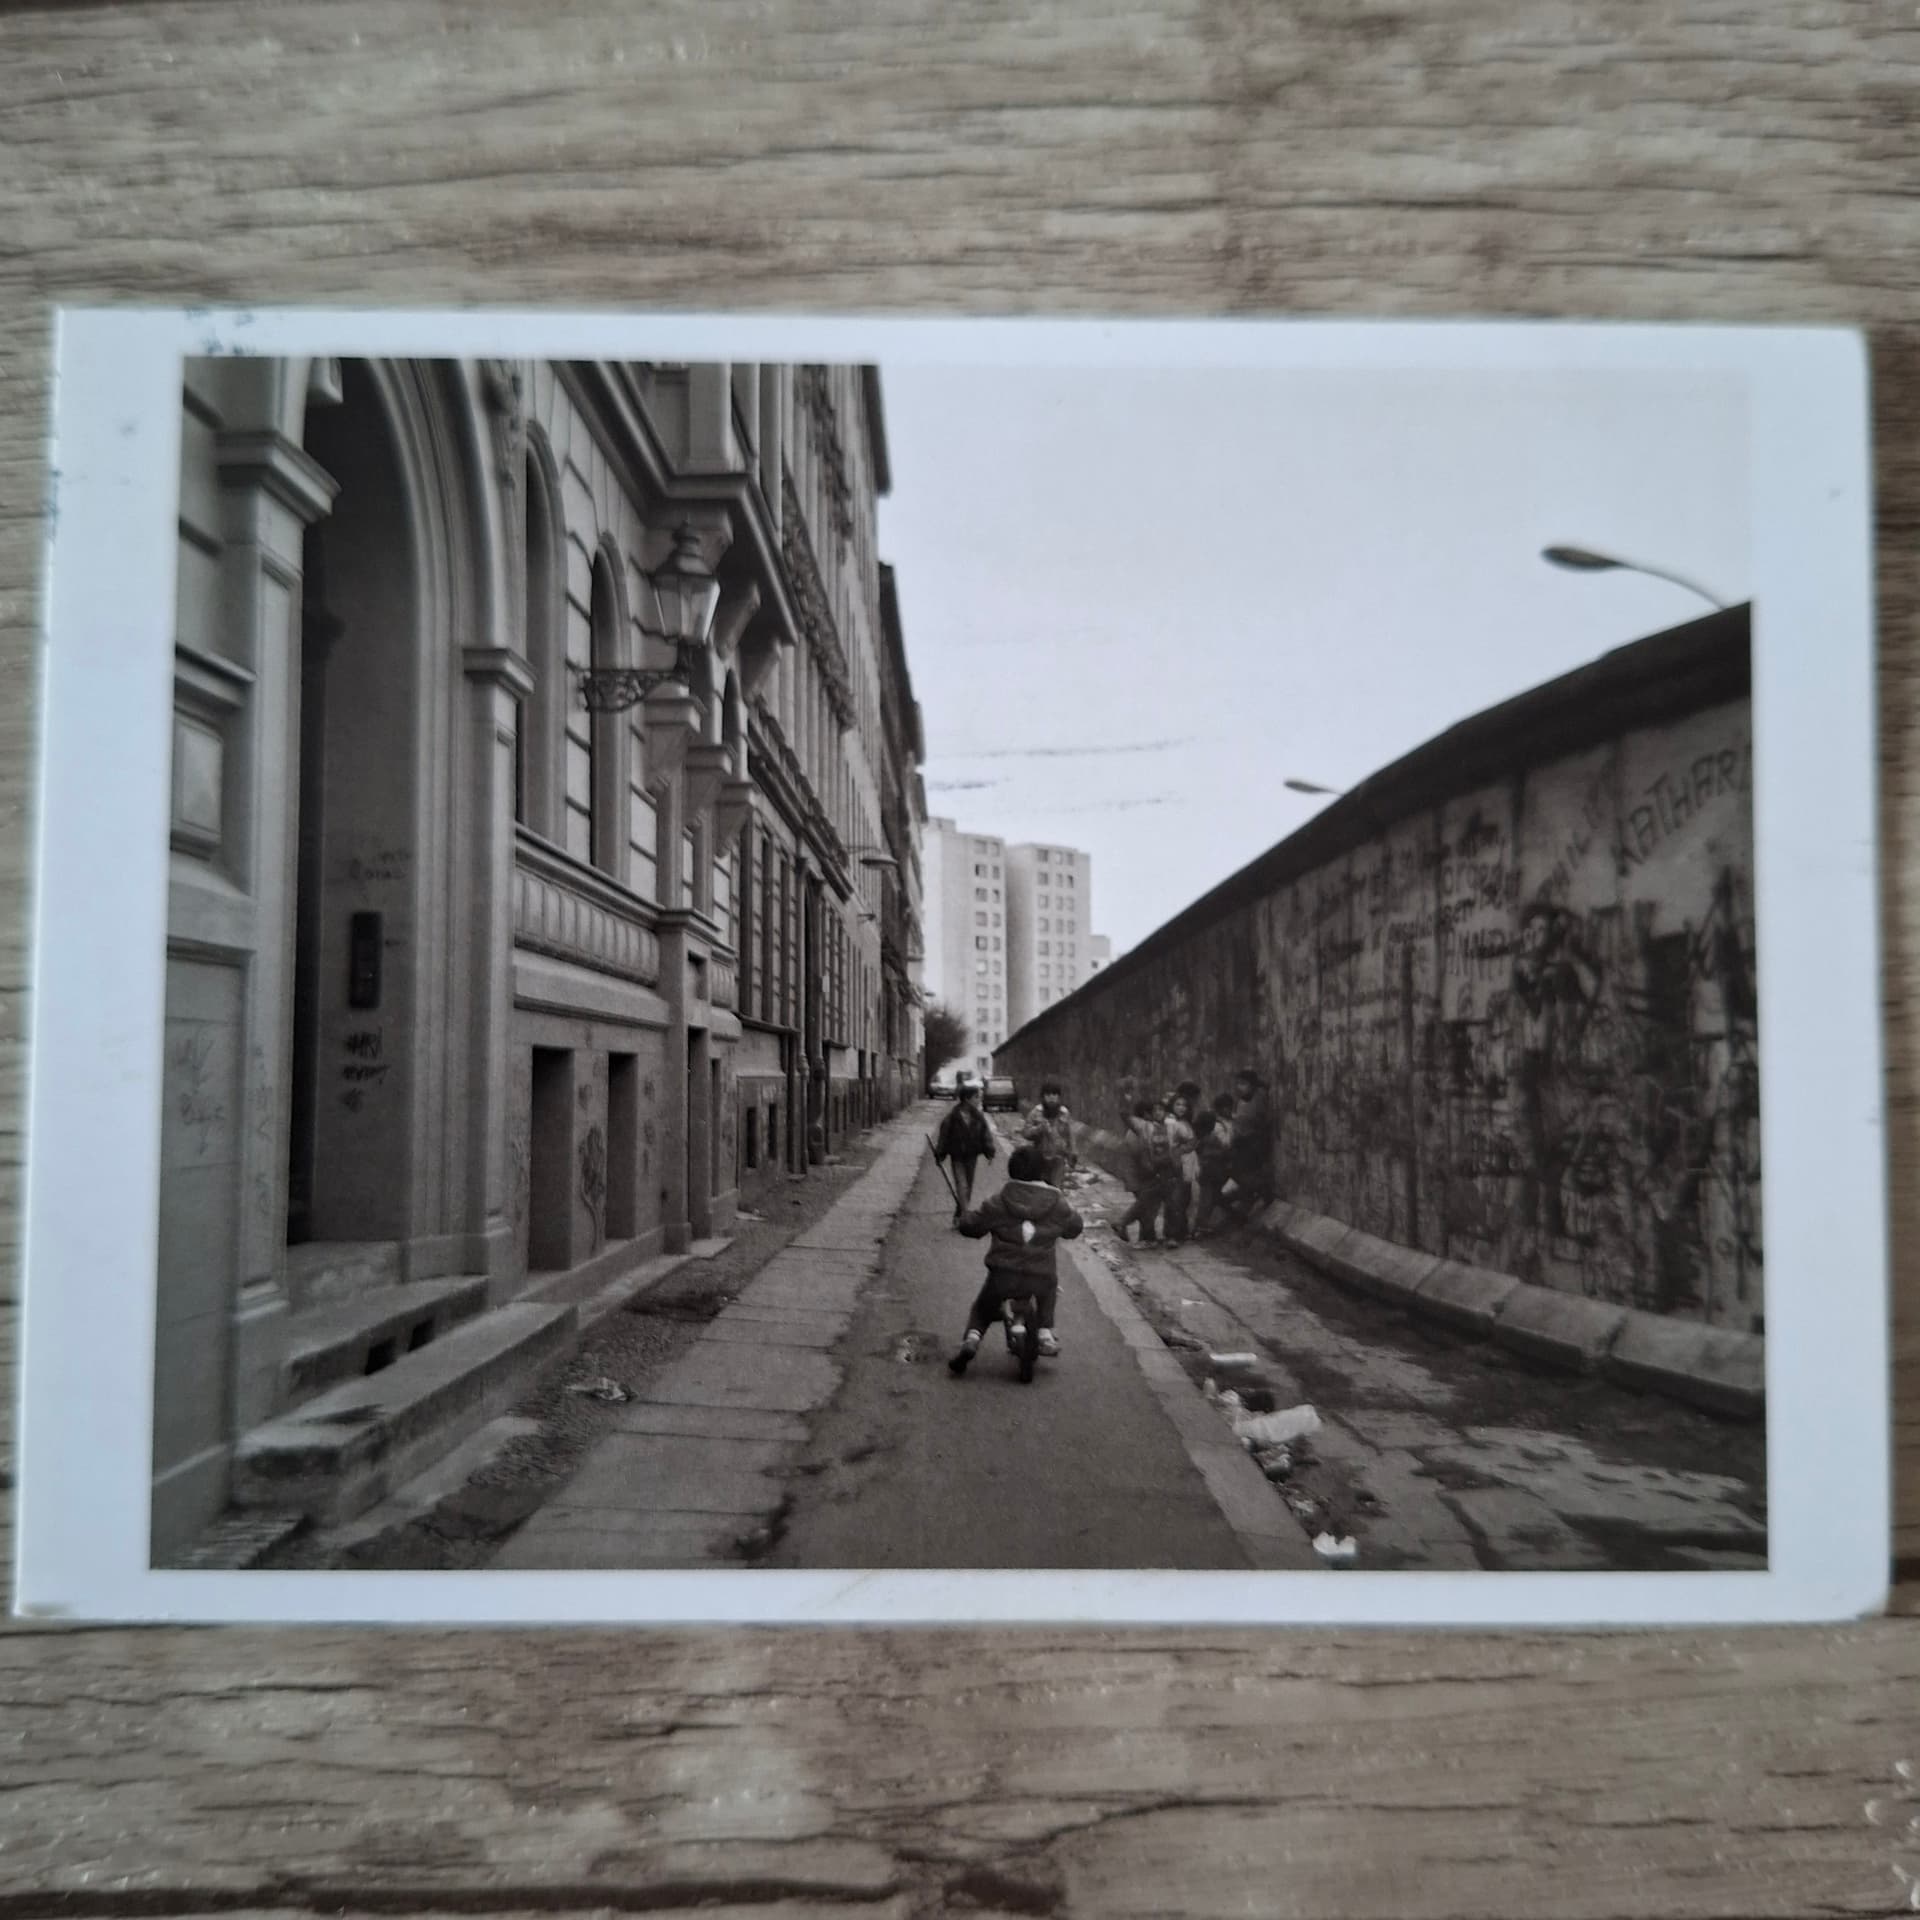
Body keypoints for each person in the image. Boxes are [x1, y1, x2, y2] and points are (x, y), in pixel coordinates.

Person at [950, 1145, 1083, 1375]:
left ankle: (972, 1338)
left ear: (1012, 1171)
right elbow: (1074, 1227)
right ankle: (1045, 1331)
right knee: (1049, 1287)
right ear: (1042, 1171)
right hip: (1040, 1274)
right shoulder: (1057, 1203)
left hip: (1003, 1274)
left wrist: (965, 1218)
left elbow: (971, 1226)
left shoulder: (1000, 1200)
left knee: (983, 1307)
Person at [932, 1081, 996, 1225]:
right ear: (967, 1099)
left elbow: (985, 1135)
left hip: (972, 1156)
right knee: (962, 1185)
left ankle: (959, 1213)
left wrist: (990, 1152)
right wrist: (940, 1154)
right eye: (976, 1097)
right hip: (957, 1156)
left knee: (968, 1187)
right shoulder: (952, 1117)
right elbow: (944, 1137)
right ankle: (966, 1217)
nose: (979, 1100)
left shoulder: (979, 1117)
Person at [1115, 1097, 1175, 1245]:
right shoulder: (1141, 1130)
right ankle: (1128, 1226)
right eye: (1153, 1112)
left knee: (1147, 1204)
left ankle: (1145, 1235)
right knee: (1146, 1204)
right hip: (1139, 1175)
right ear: (1146, 1114)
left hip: (1138, 1174)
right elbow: (1141, 1155)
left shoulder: (1142, 1129)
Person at [1022, 1080, 1076, 1188]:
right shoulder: (1035, 1113)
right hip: (1040, 1158)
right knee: (1041, 1188)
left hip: (1058, 1159)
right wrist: (1039, 1129)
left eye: (1054, 1094)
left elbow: (1070, 1135)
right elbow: (1026, 1132)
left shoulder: (1064, 1113)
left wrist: (1073, 1154)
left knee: (1055, 1189)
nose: (1051, 1098)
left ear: (1059, 1097)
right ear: (1043, 1097)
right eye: (1048, 1095)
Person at [1190, 1107, 1232, 1238]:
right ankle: (1200, 1227)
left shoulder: (1201, 1139)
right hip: (1212, 1173)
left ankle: (1200, 1226)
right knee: (1207, 1200)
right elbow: (1221, 1152)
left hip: (1207, 1173)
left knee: (1206, 1199)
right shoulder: (1211, 1138)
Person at [1163, 1091, 1197, 1244]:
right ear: (1172, 1106)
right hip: (1175, 1163)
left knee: (1184, 1197)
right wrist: (1184, 1148)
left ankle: (1181, 1231)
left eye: (1184, 1105)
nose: (1181, 1108)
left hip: (1187, 1163)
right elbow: (1171, 1145)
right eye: (1178, 1104)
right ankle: (1172, 1234)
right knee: (1175, 1199)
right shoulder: (1170, 1122)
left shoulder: (1185, 1122)